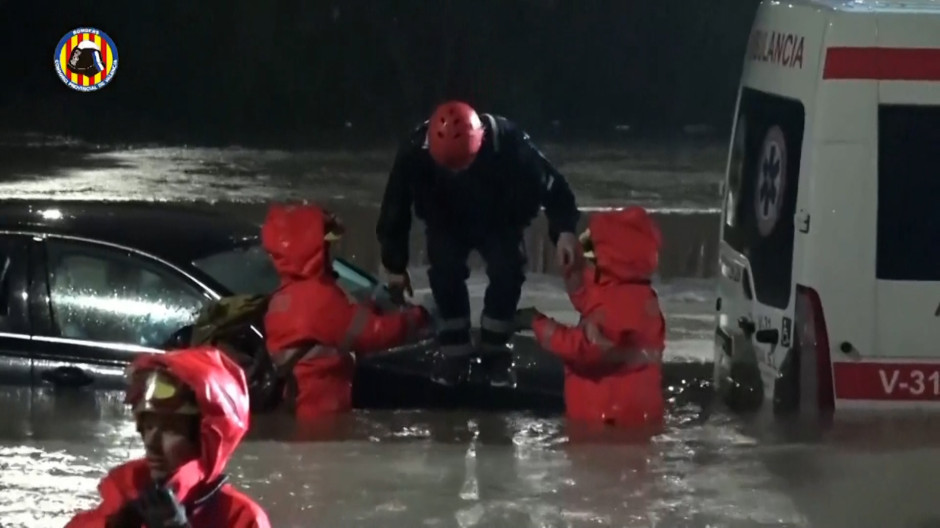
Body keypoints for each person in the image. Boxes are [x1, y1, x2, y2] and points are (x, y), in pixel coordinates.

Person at [376, 100, 582, 387]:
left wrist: (564, 232)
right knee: (445, 272)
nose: (457, 174)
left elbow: (553, 186)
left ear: (481, 141)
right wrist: (393, 263)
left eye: (462, 166)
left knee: (507, 270)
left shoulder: (510, 142)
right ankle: (454, 354)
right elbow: (394, 207)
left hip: (499, 220)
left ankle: (495, 352)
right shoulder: (413, 151)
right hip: (446, 221)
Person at [66, 346, 270, 528]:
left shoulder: (242, 519)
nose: (151, 443)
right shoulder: (122, 499)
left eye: (170, 429)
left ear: (207, 440)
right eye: (148, 426)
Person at [262, 202, 430, 420]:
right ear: (310, 251)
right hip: (322, 416)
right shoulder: (317, 297)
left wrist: (373, 305)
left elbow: (341, 323)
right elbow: (373, 333)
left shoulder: (286, 296)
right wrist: (419, 316)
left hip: (305, 408)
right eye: (326, 246)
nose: (331, 252)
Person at [515, 206, 666, 428]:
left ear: (610, 256)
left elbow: (586, 349)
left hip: (607, 420)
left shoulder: (620, 304)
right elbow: (593, 304)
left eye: (590, 250)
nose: (585, 251)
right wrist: (573, 273)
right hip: (629, 415)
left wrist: (536, 323)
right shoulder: (634, 293)